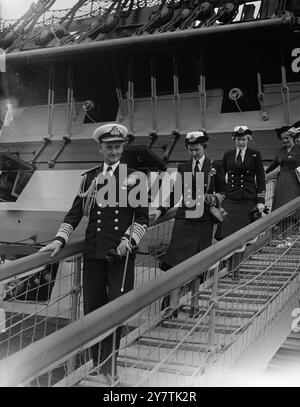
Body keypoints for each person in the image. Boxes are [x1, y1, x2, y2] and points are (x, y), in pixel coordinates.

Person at [40, 123, 149, 385]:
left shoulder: (134, 177)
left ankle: (109, 366)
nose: (114, 151)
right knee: (92, 311)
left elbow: (143, 218)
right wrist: (59, 240)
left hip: (120, 256)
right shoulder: (90, 178)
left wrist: (128, 239)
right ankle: (97, 363)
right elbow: (75, 214)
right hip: (93, 253)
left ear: (123, 147)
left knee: (116, 312)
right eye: (109, 146)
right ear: (100, 148)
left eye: (118, 146)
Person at [151, 130, 226, 317]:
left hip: (203, 222)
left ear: (204, 147)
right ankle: (173, 307)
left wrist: (214, 198)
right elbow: (177, 193)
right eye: (191, 150)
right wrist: (160, 210)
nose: (194, 153)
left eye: (197, 149)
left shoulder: (214, 166)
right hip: (184, 220)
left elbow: (224, 191)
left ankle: (194, 305)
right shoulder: (183, 167)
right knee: (176, 264)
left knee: (198, 265)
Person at [215, 125, 266, 279]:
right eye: (238, 140)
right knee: (226, 232)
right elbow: (220, 175)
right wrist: (219, 195)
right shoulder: (228, 155)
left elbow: (261, 178)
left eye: (244, 139)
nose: (241, 143)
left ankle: (235, 269)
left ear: (248, 139)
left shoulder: (255, 155)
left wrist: (260, 200)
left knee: (242, 236)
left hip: (248, 199)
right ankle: (228, 264)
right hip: (231, 199)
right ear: (234, 140)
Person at [265, 126, 300, 246]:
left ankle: (289, 238)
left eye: (287, 138)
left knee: (290, 210)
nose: (284, 141)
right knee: (281, 211)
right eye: (282, 139)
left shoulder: (299, 148)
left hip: (294, 182)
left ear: (293, 137)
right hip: (281, 183)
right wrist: (263, 175)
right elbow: (274, 164)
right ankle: (285, 238)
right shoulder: (281, 151)